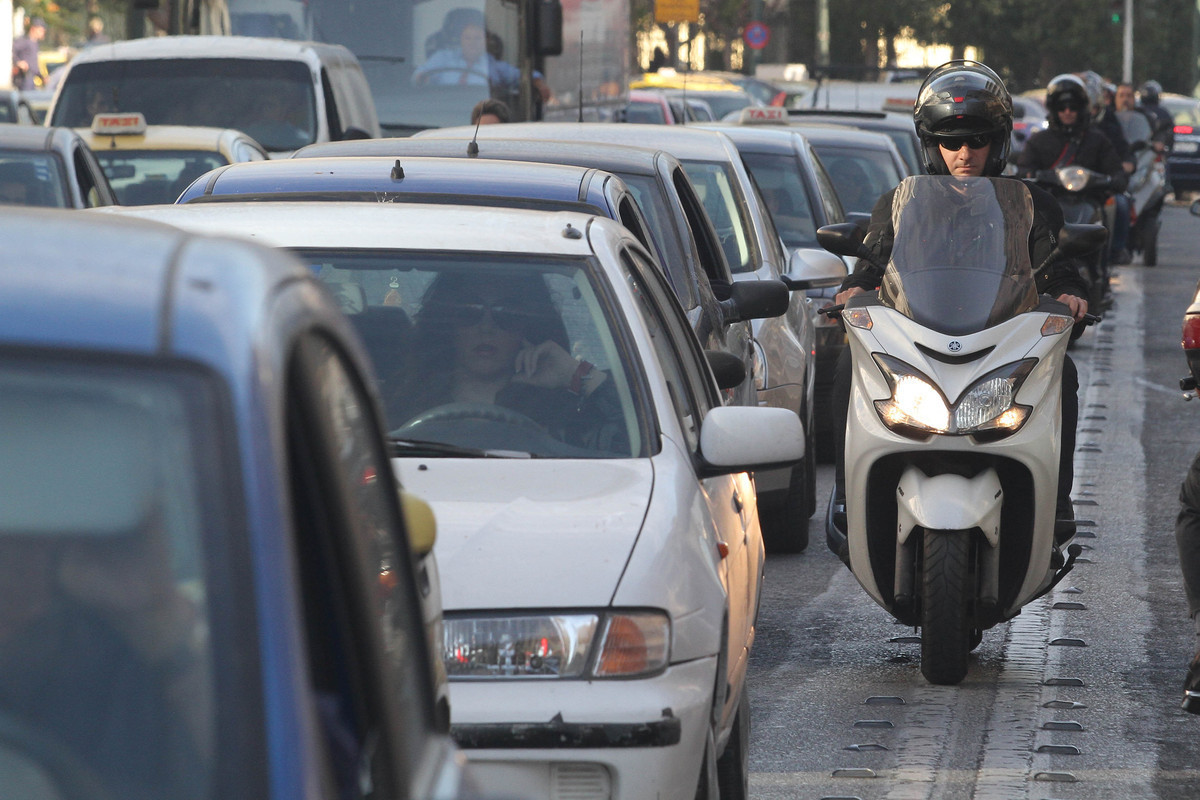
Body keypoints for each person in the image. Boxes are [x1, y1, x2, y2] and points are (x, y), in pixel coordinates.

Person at [831, 60, 1090, 550]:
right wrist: (851, 290)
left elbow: (1059, 268)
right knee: (849, 361)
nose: (965, 153)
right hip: (917, 340)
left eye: (977, 140)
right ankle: (848, 491)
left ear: (999, 143)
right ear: (932, 145)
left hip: (1001, 342)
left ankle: (1056, 501)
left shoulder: (1032, 204)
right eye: (951, 142)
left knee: (1067, 373)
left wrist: (1071, 295)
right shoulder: (899, 204)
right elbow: (870, 264)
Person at [0, 513, 209, 799]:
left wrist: (153, 619)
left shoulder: (113, 646)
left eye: (34, 539)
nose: (19, 559)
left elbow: (245, 758)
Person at [389, 271, 623, 452]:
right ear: (448, 323)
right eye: (470, 311)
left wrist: (576, 374)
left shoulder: (563, 415)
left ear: (528, 326)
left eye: (507, 314)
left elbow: (636, 447)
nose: (487, 327)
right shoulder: (401, 401)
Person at [413, 9, 550, 103]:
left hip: (480, 117)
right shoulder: (442, 58)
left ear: (485, 42)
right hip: (443, 111)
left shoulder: (493, 65)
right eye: (468, 38)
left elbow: (523, 76)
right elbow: (418, 76)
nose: (472, 43)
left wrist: (538, 82)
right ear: (460, 40)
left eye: (477, 38)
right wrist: (421, 78)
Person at [12, 17, 47, 91]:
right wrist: (18, 62)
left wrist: (41, 76)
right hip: (24, 77)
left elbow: (34, 64)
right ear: (33, 29)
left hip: (32, 79)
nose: (43, 33)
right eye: (41, 30)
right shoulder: (24, 41)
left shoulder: (35, 43)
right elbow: (12, 52)